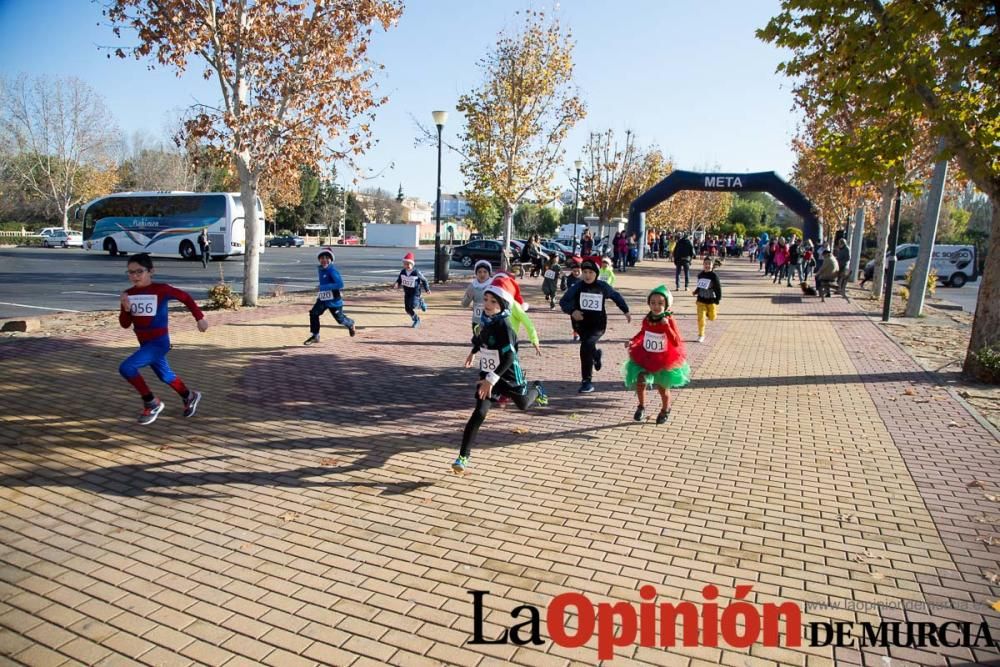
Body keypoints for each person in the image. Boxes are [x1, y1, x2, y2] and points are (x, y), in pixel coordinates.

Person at [452, 284, 548, 474]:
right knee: (479, 412)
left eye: (493, 301)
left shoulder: (505, 326)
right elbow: (480, 340)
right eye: (486, 299)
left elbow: (510, 357)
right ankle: (463, 457)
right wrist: (473, 352)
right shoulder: (485, 320)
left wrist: (492, 379)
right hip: (488, 377)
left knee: (523, 405)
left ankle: (537, 389)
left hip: (508, 376)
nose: (487, 304)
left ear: (502, 305)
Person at [118, 253, 208, 425]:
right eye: (130, 272)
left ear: (151, 271)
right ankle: (189, 396)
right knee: (165, 375)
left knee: (127, 368)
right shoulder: (128, 294)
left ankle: (151, 402)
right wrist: (125, 308)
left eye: (139, 271)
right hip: (145, 344)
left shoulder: (162, 289)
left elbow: (186, 298)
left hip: (159, 343)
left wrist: (199, 318)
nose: (134, 276)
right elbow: (125, 324)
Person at [560, 259, 631, 393]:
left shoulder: (602, 286)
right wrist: (572, 311)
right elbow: (564, 302)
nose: (587, 275)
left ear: (596, 274)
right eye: (585, 272)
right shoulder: (577, 287)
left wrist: (625, 310)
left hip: (598, 325)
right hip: (580, 325)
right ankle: (596, 355)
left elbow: (616, 296)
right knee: (588, 345)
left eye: (591, 272)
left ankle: (586, 381)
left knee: (585, 346)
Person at [622, 285, 690, 424]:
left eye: (660, 303)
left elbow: (676, 341)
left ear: (666, 304)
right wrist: (632, 341)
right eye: (653, 303)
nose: (656, 306)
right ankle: (641, 407)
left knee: (662, 388)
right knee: (640, 381)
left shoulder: (669, 320)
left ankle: (665, 409)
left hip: (663, 358)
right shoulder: (648, 318)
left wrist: (666, 326)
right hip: (646, 355)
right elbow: (643, 333)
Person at [304, 247, 356, 345]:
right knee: (314, 313)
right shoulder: (320, 269)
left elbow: (340, 284)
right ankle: (315, 335)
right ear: (319, 260)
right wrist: (322, 289)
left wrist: (322, 287)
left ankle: (350, 324)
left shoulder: (332, 271)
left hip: (334, 300)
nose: (324, 260)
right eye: (322, 258)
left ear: (331, 260)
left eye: (327, 258)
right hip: (323, 299)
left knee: (340, 320)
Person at [394, 252, 430, 327]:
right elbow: (399, 279)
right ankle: (416, 319)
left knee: (413, 305)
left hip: (415, 292)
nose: (407, 265)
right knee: (407, 309)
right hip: (407, 292)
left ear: (412, 264)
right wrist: (397, 283)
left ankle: (421, 302)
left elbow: (424, 280)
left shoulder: (416, 272)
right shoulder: (403, 271)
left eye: (409, 264)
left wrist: (427, 289)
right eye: (405, 264)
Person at [692, 257, 722, 343]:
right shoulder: (700, 275)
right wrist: (696, 292)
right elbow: (700, 285)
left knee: (712, 317)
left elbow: (718, 288)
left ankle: (709, 314)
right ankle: (701, 335)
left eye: (709, 264)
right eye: (705, 263)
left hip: (711, 300)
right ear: (703, 265)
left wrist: (718, 299)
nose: (707, 265)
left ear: (712, 266)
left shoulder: (714, 276)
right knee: (701, 319)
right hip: (701, 300)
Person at [462, 259, 494, 330]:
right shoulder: (472, 286)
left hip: (491, 320)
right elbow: (464, 305)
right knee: (477, 340)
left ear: (489, 273)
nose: (482, 274)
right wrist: (468, 297)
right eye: (479, 272)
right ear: (476, 273)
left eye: (485, 272)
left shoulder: (494, 285)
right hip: (477, 320)